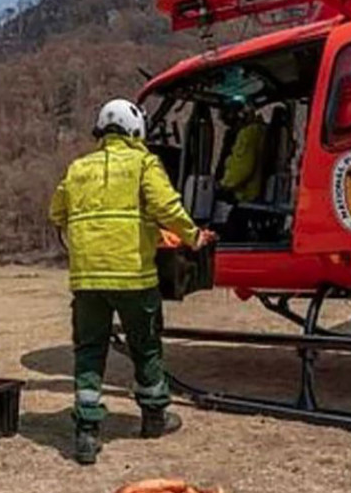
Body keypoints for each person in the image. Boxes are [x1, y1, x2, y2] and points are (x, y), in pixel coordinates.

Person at [49, 99, 216, 465]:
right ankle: (154, 417)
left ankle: (87, 433)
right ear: (135, 130)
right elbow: (166, 207)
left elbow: (56, 212)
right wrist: (193, 237)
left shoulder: (77, 168)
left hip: (87, 282)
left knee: (89, 351)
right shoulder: (143, 163)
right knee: (146, 347)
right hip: (134, 278)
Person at [218, 105, 266, 203]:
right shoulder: (261, 131)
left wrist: (224, 185)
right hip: (256, 194)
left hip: (244, 196)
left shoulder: (248, 134)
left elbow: (242, 168)